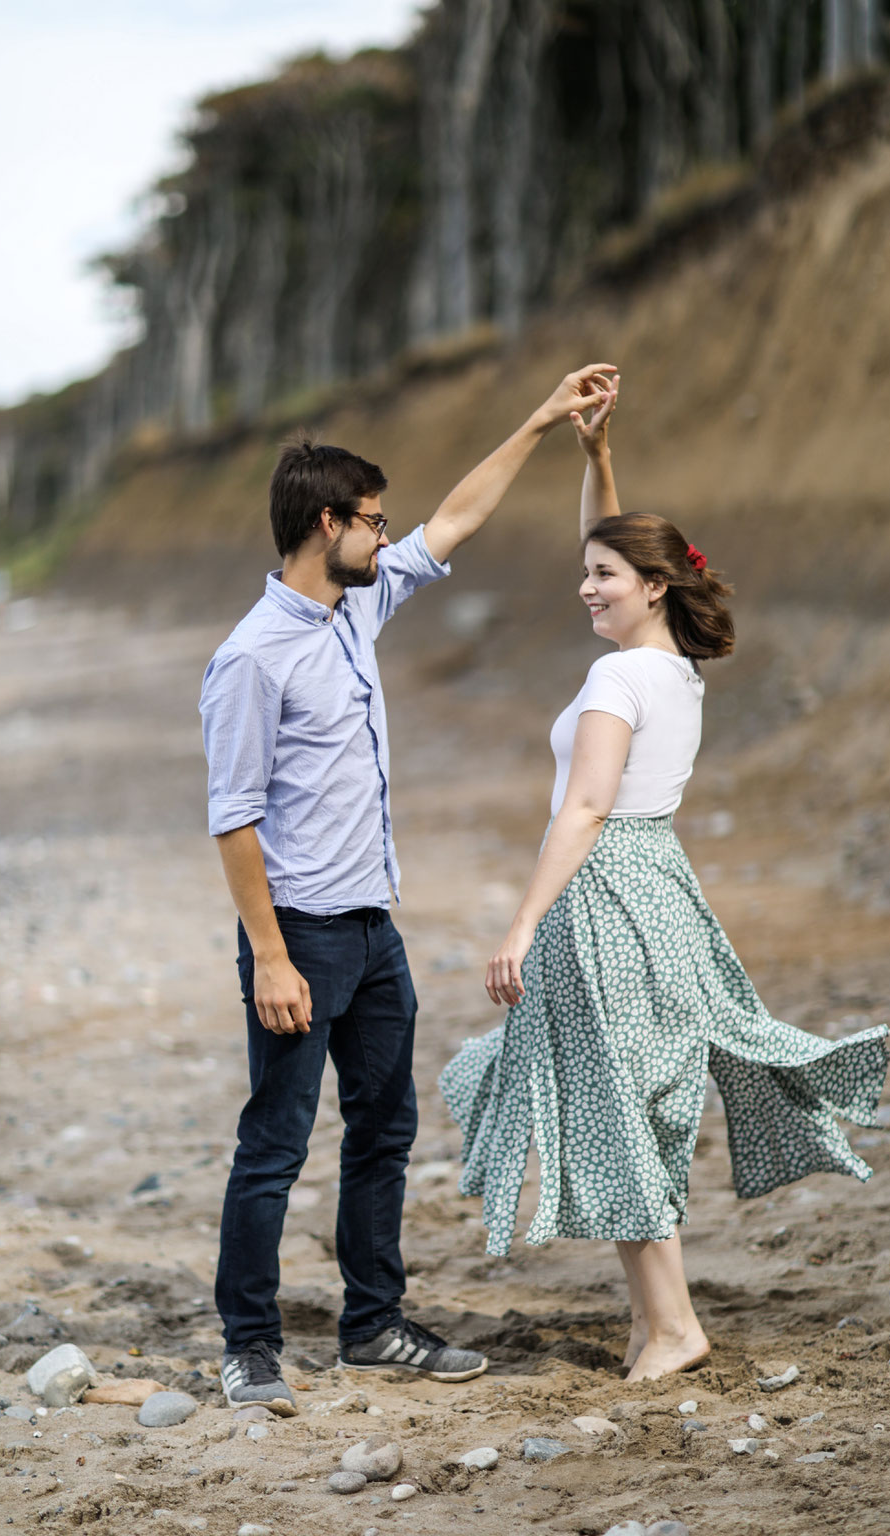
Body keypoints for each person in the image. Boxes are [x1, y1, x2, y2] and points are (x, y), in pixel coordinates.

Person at [439, 384, 890, 1384]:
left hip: (604, 892)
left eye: (600, 577)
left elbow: (587, 807)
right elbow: (621, 555)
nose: (585, 589)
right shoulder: (673, 665)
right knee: (622, 1102)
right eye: (584, 574)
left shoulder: (616, 680)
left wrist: (521, 921)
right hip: (660, 889)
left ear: (650, 584)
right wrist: (596, 460)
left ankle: (676, 1326)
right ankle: (655, 1323)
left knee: (612, 1102)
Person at [199, 364, 617, 1414]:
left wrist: (536, 419)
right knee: (275, 1144)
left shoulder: (356, 606)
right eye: (373, 524)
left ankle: (372, 1325)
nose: (389, 540)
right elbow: (232, 818)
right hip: (297, 933)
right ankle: (248, 1342)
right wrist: (275, 958)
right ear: (325, 522)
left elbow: (458, 521)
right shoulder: (250, 659)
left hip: (372, 931)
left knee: (384, 1130)